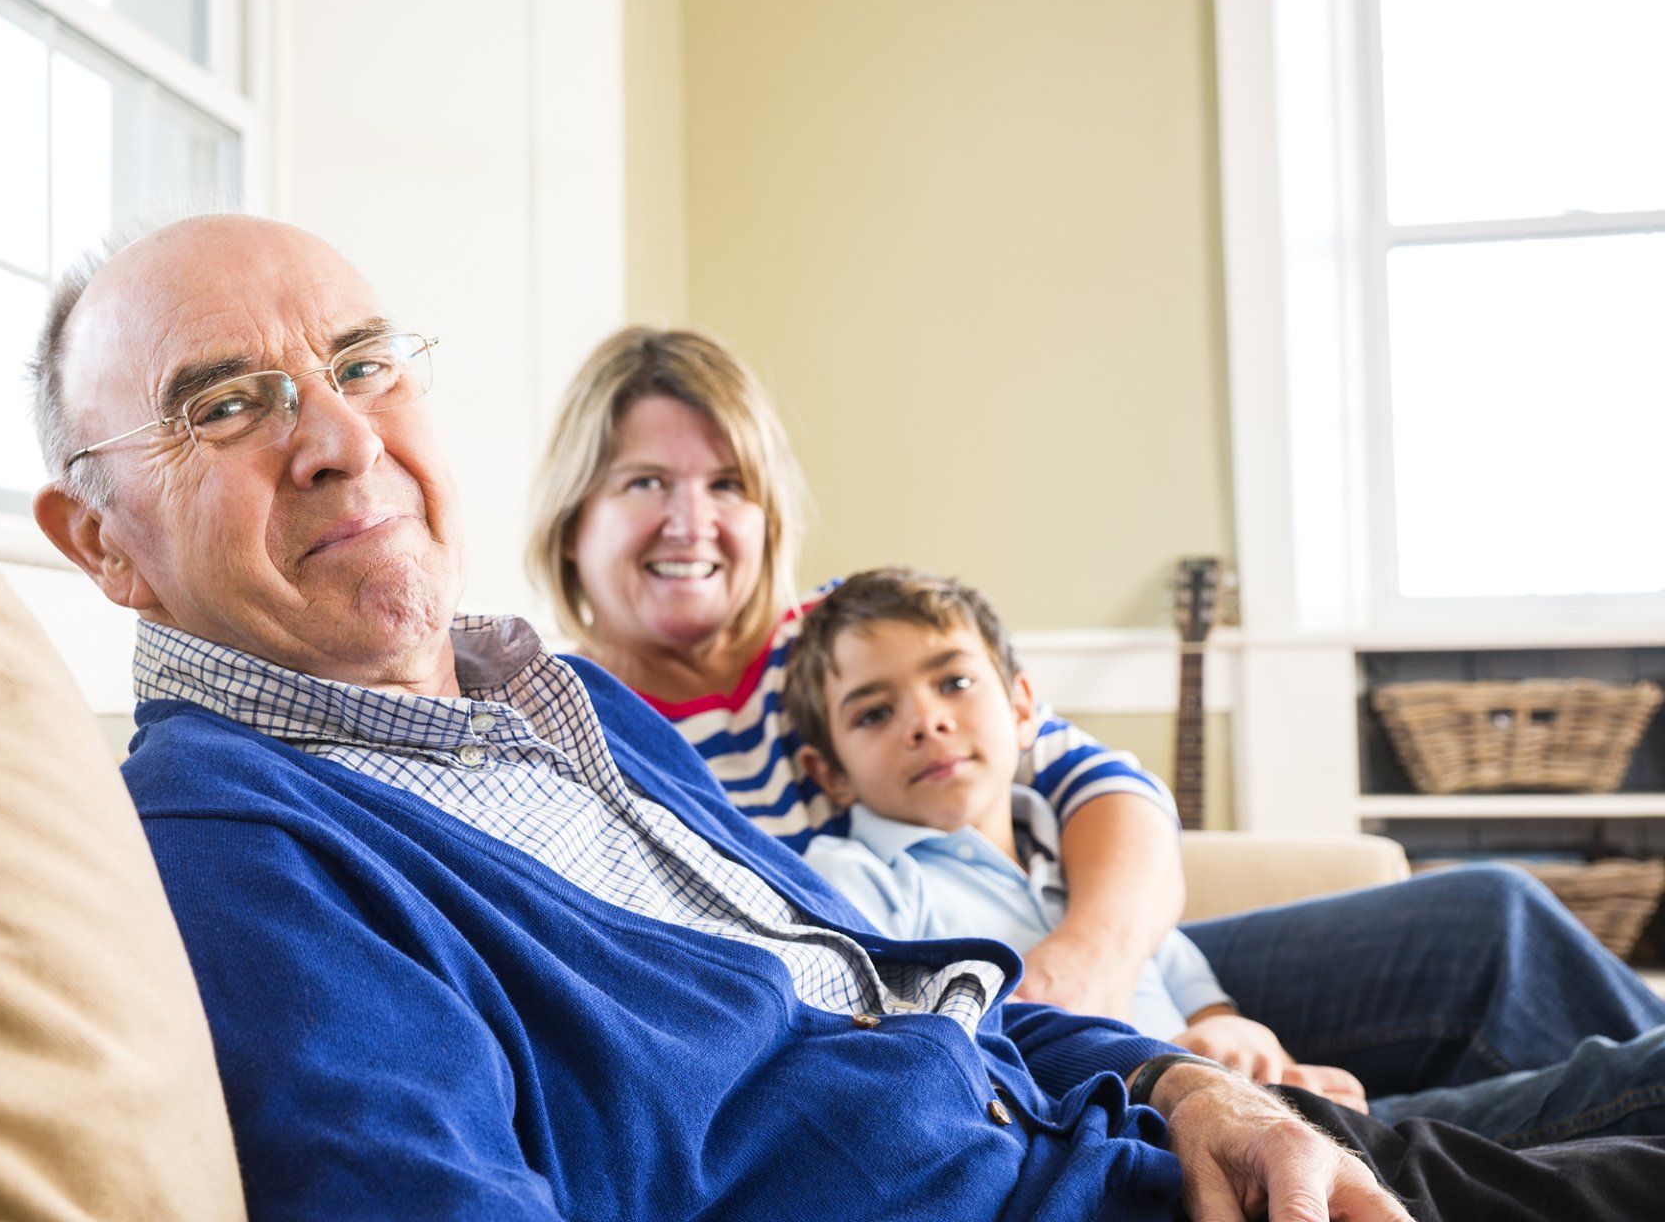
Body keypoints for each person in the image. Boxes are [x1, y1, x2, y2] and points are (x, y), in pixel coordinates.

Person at [27, 213, 1665, 1222]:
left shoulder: (570, 704)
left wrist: (1175, 1078)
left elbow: (900, 961)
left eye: (367, 363)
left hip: (1116, 1121)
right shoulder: (244, 833)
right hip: (1064, 1188)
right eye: (225, 404)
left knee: (1533, 973)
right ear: (100, 539)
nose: (334, 436)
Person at [526, 324, 1665, 1115]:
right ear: (575, 516)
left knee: (1493, 919)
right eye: (644, 483)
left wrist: (1103, 966)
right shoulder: (569, 726)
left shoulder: (848, 638)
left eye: (728, 482)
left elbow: (1099, 787)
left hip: (1077, 963)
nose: (693, 520)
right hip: (953, 1038)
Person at [786, 565, 1665, 1146]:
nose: (926, 720)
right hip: (1179, 1143)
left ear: (1025, 710)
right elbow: (911, 1054)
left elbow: (1195, 989)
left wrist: (1235, 1035)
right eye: (874, 712)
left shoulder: (1083, 868)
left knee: (1613, 1092)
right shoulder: (856, 880)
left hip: (1271, 1107)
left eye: (954, 681)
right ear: (829, 771)